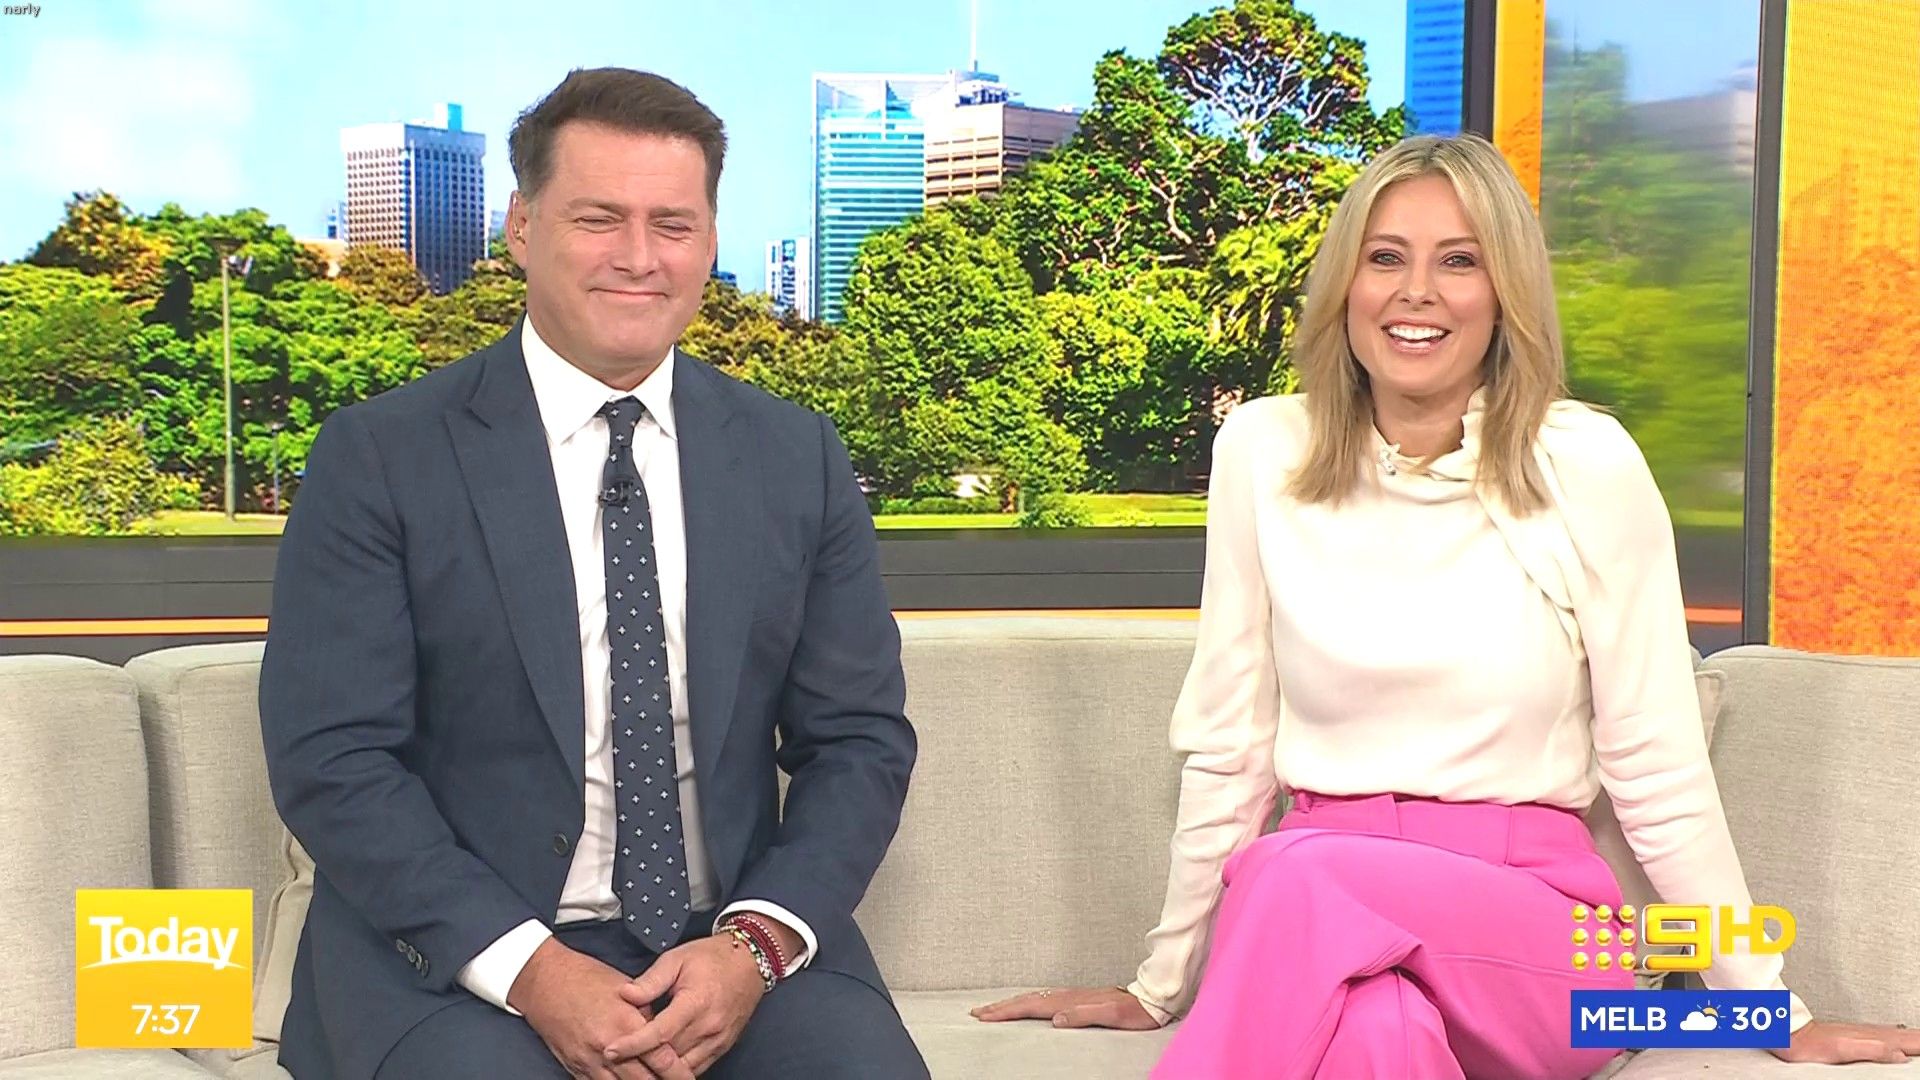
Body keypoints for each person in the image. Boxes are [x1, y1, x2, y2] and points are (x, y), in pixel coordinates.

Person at [972, 134, 1920, 1078]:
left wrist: (1768, 1007)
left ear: (1505, 294)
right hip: (1319, 905)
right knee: (1374, 1030)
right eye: (1386, 257)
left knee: (1289, 872)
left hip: (1550, 935)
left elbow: (1658, 768)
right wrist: (1157, 985)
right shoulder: (1264, 448)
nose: (1416, 291)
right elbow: (1232, 746)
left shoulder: (1585, 462)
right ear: (1346, 285)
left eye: (1459, 262)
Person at [260, 68, 928, 1080]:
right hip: (461, 958)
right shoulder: (381, 456)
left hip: (726, 947)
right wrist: (532, 969)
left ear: (710, 240)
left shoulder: (798, 456)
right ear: (523, 228)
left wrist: (753, 945)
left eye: (672, 224)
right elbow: (333, 759)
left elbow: (859, 742)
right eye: (599, 218)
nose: (638, 257)